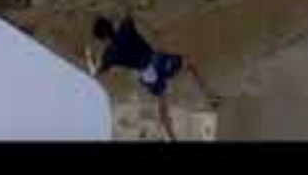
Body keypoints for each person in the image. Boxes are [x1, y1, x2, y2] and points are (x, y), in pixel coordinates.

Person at [85, 15, 219, 141]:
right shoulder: (125, 26)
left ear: (102, 39)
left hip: (146, 74)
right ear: (110, 24)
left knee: (162, 101)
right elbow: (132, 16)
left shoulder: (109, 54)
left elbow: (94, 72)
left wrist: (89, 57)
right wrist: (153, 31)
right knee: (188, 63)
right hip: (156, 60)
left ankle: (171, 138)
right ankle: (210, 96)